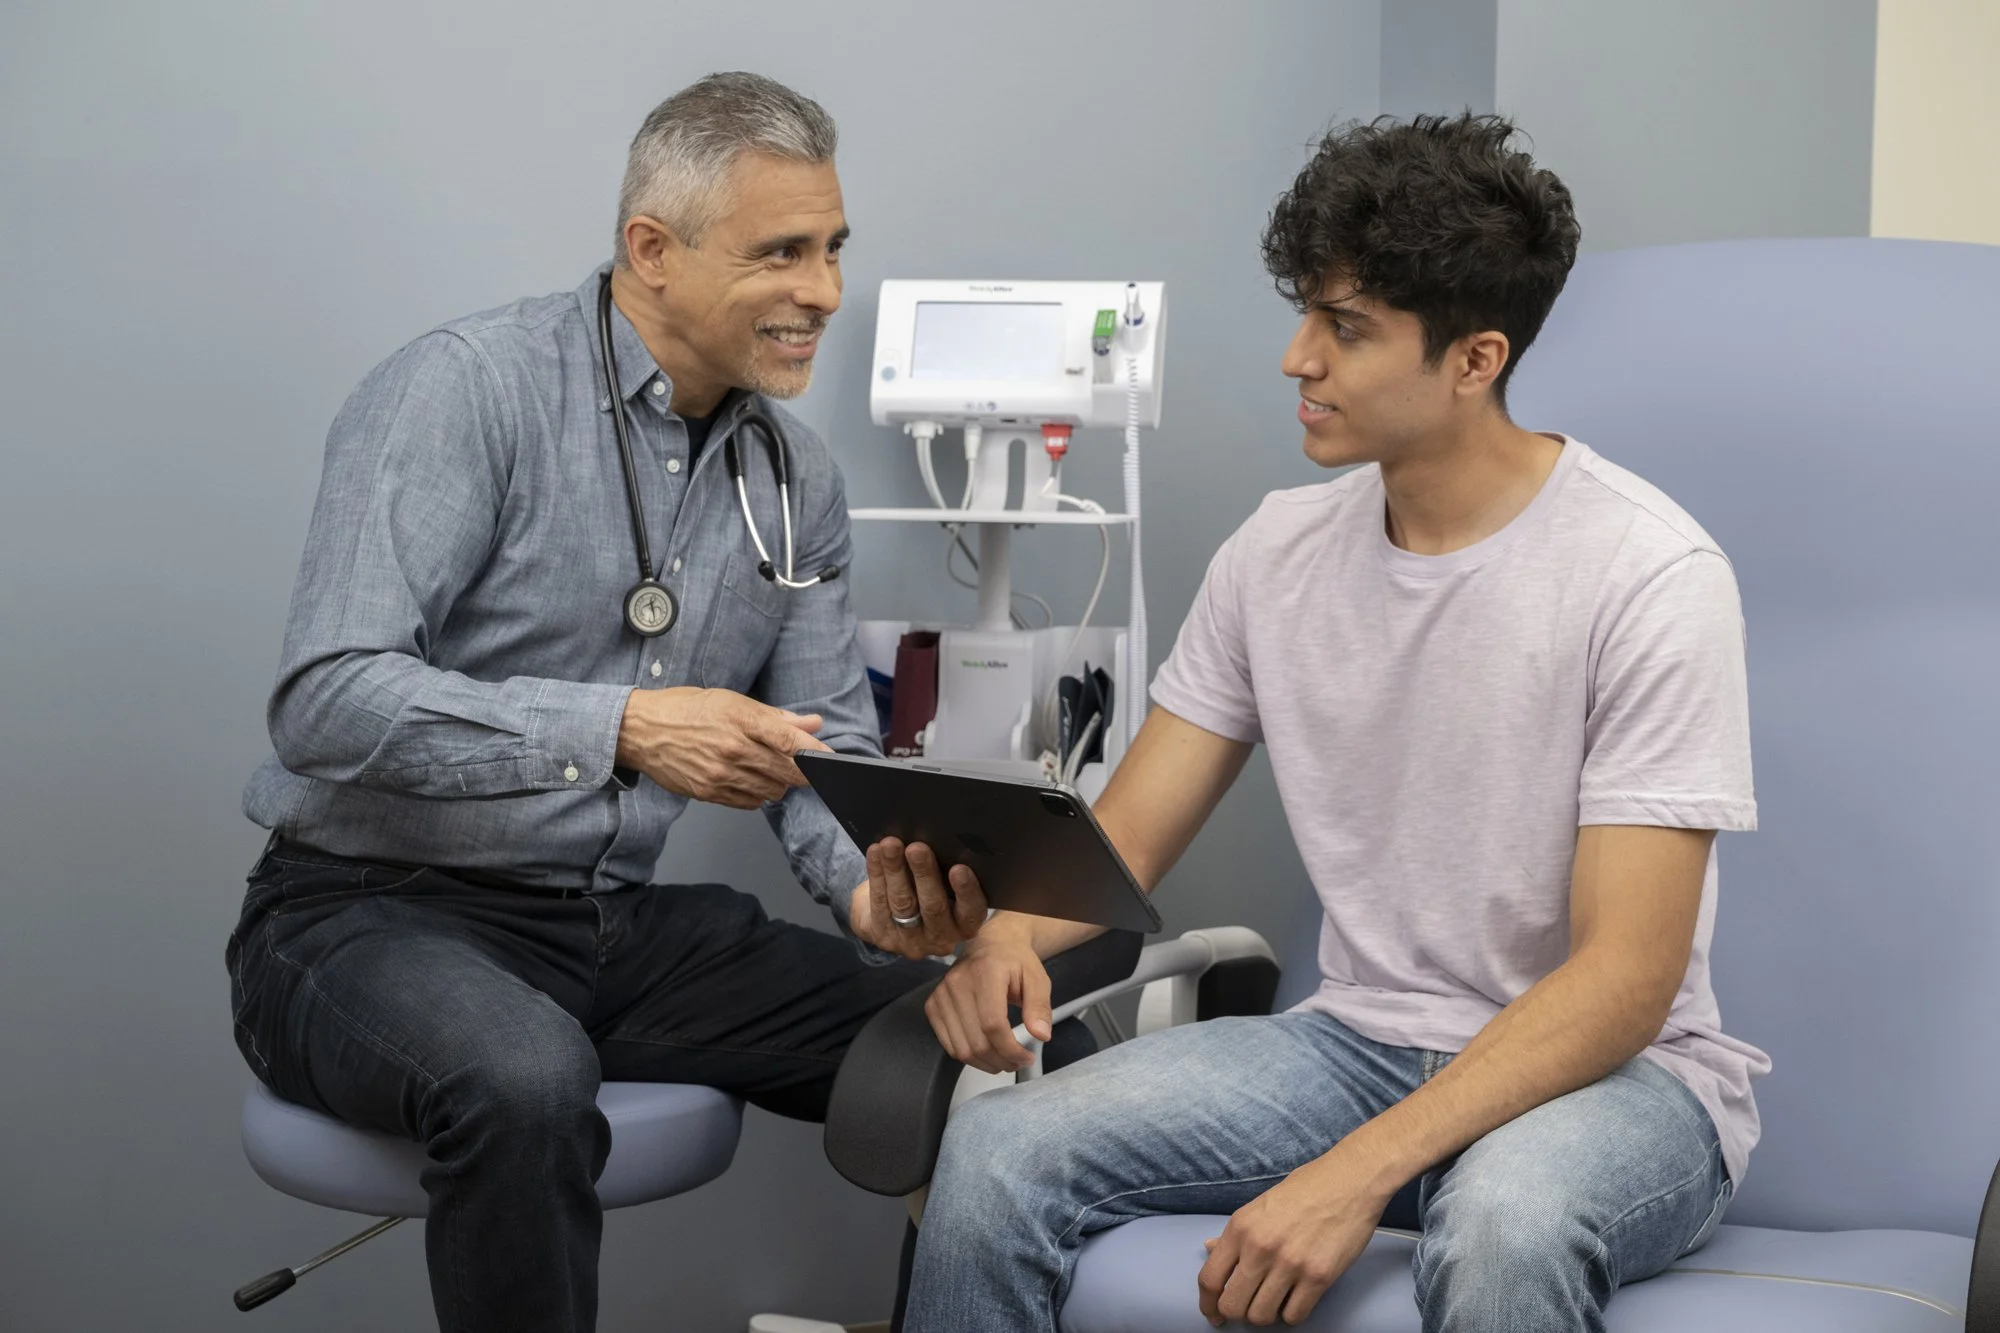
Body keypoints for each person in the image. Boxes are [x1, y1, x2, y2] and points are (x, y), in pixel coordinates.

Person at [902, 113, 1768, 1332]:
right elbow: (1126, 841)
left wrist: (1355, 1171)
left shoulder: (1645, 573)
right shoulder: (1275, 552)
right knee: (996, 1157)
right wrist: (1005, 941)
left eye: (1345, 329)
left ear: (1473, 360)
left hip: (1616, 1082)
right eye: (1305, 313)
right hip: (1352, 1046)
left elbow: (1625, 981)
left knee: (1504, 1225)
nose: (1295, 359)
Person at [225, 72, 994, 1333]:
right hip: (364, 914)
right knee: (526, 1079)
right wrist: (623, 727)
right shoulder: (463, 390)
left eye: (834, 249)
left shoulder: (793, 476)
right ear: (652, 250)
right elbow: (325, 700)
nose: (825, 292)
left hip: (605, 928)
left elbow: (821, 750)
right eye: (783, 253)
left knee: (980, 1053)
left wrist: (870, 887)